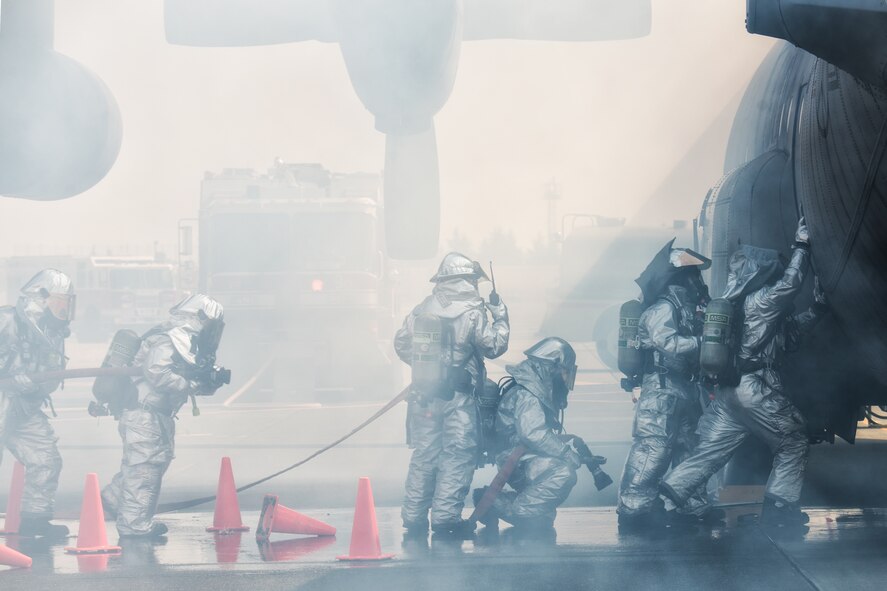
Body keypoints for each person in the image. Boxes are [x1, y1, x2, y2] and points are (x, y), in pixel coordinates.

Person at [661, 218, 825, 527]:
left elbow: (788, 336)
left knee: (711, 451)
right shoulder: (761, 300)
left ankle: (669, 497)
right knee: (793, 439)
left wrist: (817, 311)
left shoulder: (735, 304)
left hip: (728, 393)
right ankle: (780, 509)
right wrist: (801, 245)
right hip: (754, 389)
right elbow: (791, 284)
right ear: (761, 273)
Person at [394, 252, 509, 536]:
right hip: (458, 398)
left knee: (424, 455)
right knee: (457, 456)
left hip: (424, 396)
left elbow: (400, 343)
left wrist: (427, 370)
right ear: (468, 280)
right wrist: (501, 316)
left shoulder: (423, 309)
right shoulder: (473, 311)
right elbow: (493, 346)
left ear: (443, 280)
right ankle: (445, 518)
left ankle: (413, 516)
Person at [102, 294, 228, 538]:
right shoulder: (169, 338)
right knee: (145, 468)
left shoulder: (184, 342)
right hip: (144, 413)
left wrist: (206, 382)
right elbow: (156, 372)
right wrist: (189, 384)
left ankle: (113, 500)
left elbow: (184, 378)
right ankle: (134, 526)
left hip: (156, 415)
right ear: (198, 318)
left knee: (154, 462)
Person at [617, 241, 717, 528]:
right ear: (679, 278)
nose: (697, 280)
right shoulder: (661, 308)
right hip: (660, 391)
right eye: (692, 275)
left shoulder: (686, 309)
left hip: (684, 389)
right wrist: (702, 342)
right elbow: (668, 343)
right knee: (653, 449)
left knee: (690, 449)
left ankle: (693, 506)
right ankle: (634, 510)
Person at [474, 337, 583, 532]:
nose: (565, 379)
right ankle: (515, 510)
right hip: (517, 458)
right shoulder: (528, 394)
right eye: (563, 372)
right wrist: (566, 453)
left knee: (543, 514)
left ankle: (495, 502)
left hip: (523, 456)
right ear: (550, 368)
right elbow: (532, 433)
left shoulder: (532, 389)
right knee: (562, 473)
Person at [0, 269, 75, 538]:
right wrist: (9, 379)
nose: (64, 309)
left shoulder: (52, 333)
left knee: (46, 458)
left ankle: (35, 520)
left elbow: (52, 375)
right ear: (41, 297)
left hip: (23, 408)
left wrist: (32, 388)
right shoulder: (6, 320)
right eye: (60, 301)